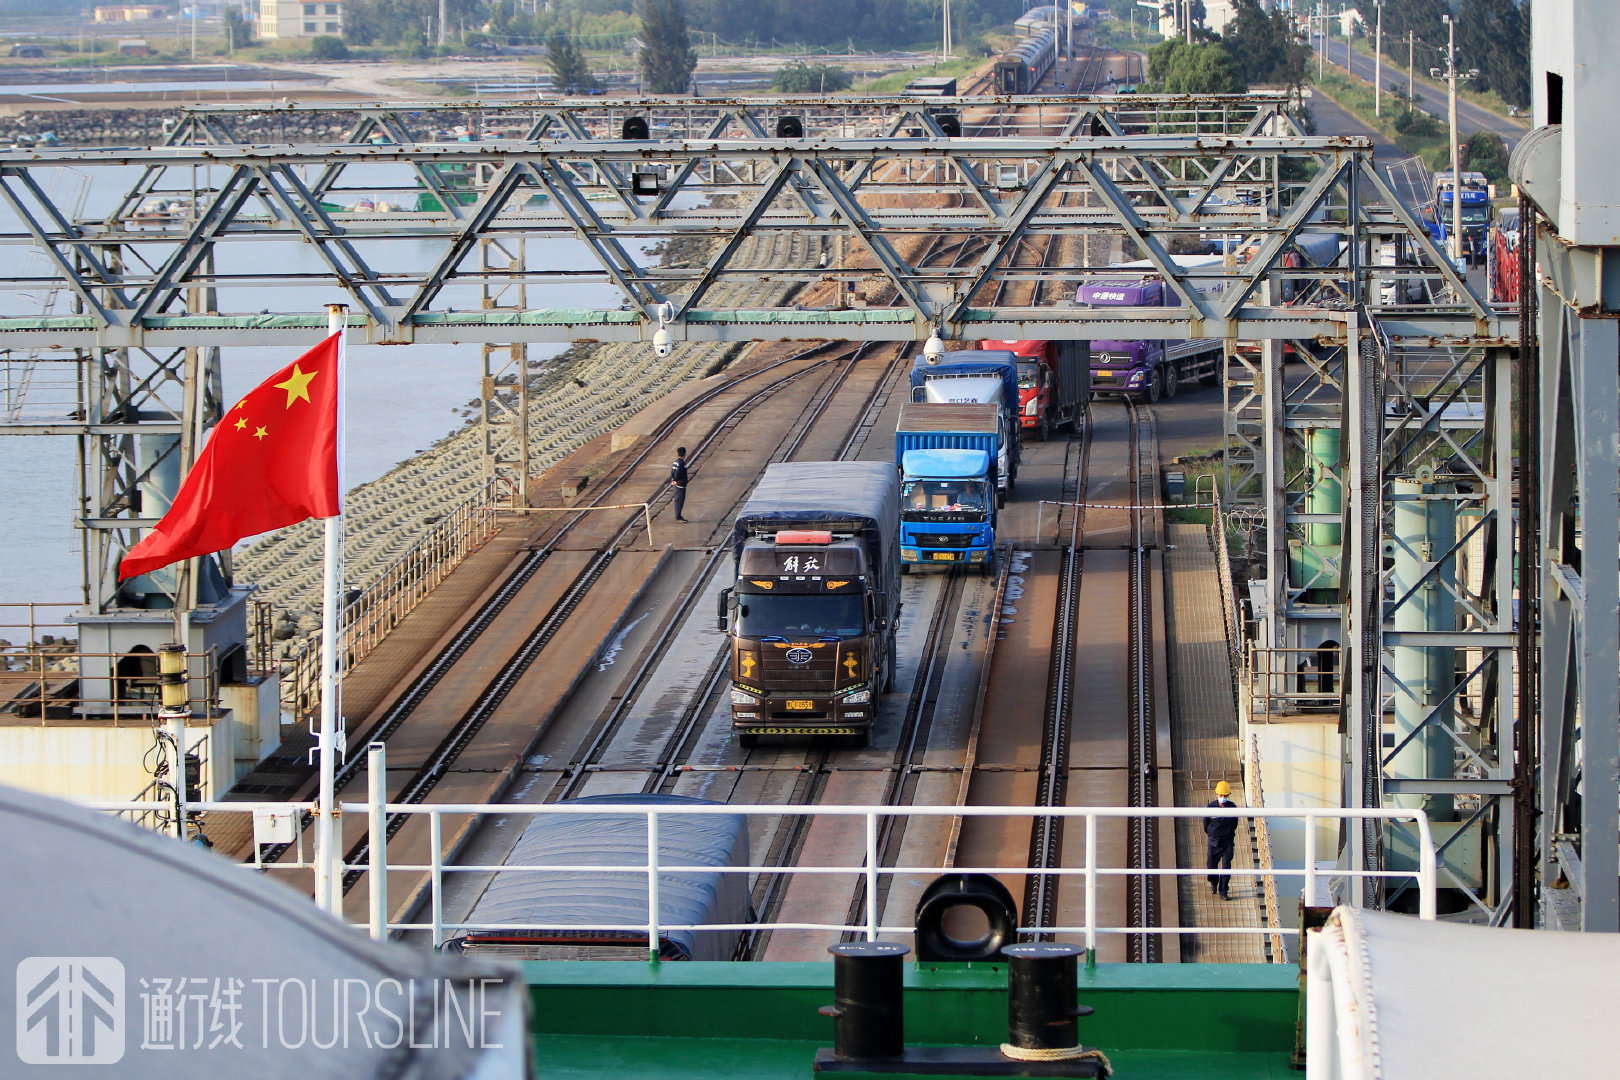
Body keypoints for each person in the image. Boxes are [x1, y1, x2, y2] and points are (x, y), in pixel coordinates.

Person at [1203, 780, 1239, 900]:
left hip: (1227, 842)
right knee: (1211, 865)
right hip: (1214, 842)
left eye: (1225, 795)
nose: (1222, 797)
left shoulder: (1233, 808)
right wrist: (1212, 834)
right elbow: (1206, 824)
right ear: (1216, 794)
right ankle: (1214, 883)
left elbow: (1235, 824)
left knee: (1226, 867)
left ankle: (1223, 891)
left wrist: (1227, 834)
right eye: (1221, 795)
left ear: (1228, 795)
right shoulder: (1210, 808)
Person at [670, 447, 690, 523]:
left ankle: (678, 515)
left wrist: (673, 479)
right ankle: (678, 517)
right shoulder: (681, 463)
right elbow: (679, 472)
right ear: (684, 454)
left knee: (678, 500)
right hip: (680, 484)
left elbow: (672, 471)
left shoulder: (675, 462)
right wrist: (675, 479)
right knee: (680, 501)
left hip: (677, 484)